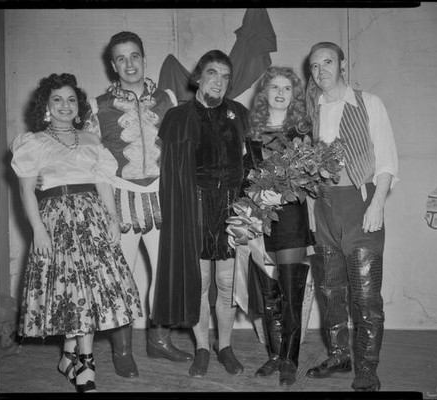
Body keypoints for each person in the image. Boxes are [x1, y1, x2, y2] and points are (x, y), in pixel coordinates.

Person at [11, 73, 143, 393]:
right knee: (71, 292)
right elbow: (27, 192)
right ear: (46, 105)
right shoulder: (33, 142)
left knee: (90, 290)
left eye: (71, 99)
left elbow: (103, 183)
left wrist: (113, 219)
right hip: (57, 223)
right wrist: (38, 231)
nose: (65, 106)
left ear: (79, 105)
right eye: (57, 99)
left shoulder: (91, 140)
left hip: (92, 221)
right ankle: (80, 362)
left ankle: (76, 358)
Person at [85, 31, 192, 378]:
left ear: (144, 58)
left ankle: (158, 341)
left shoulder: (168, 98)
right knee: (121, 277)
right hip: (118, 199)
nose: (129, 64)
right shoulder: (96, 106)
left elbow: (181, 149)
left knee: (165, 274)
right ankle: (123, 349)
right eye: (121, 58)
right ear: (112, 64)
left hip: (162, 198)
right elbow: (89, 159)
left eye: (134, 56)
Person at [305, 42, 398, 391]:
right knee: (330, 291)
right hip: (325, 207)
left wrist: (378, 204)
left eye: (327, 62)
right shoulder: (311, 110)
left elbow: (386, 159)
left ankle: (368, 370)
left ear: (342, 64)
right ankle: (340, 356)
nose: (321, 71)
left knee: (366, 297)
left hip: (361, 203)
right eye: (314, 66)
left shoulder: (368, 102)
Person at [152, 50, 249, 377]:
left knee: (226, 285)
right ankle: (203, 348)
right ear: (198, 77)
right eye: (212, 73)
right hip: (194, 209)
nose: (218, 81)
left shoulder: (239, 113)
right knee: (200, 283)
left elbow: (252, 167)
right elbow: (171, 175)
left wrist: (250, 210)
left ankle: (225, 347)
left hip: (232, 210)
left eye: (224, 76)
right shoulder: (178, 117)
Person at [244, 66, 313, 386]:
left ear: (294, 95)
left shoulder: (301, 130)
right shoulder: (251, 131)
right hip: (260, 218)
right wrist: (257, 194)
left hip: (291, 219)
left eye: (287, 88)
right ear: (265, 93)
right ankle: (274, 354)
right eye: (275, 87)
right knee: (269, 293)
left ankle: (290, 357)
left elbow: (309, 178)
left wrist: (282, 191)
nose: (281, 93)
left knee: (291, 292)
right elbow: (244, 175)